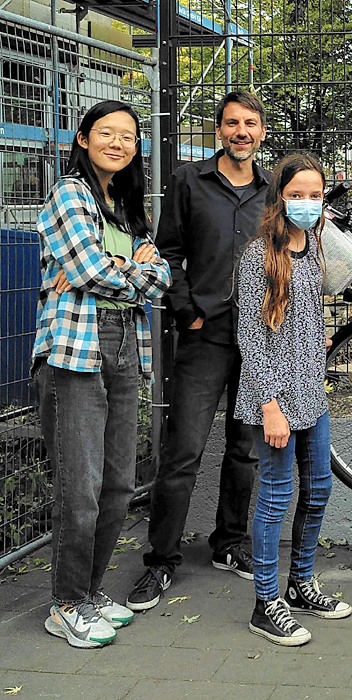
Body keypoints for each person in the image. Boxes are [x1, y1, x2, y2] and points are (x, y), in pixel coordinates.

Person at [32, 100, 171, 647]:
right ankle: (65, 603)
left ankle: (87, 595)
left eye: (128, 136)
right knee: (81, 487)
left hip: (124, 349)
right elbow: (90, 270)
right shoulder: (70, 192)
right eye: (106, 133)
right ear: (85, 139)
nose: (118, 142)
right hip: (76, 353)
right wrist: (127, 269)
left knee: (117, 485)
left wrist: (122, 270)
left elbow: (161, 279)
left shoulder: (128, 207)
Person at [128, 91, 270, 611]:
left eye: (250, 123)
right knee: (184, 451)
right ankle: (160, 561)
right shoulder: (189, 181)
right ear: (219, 131)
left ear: (260, 132)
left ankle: (229, 545)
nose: (241, 131)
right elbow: (169, 252)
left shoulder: (272, 189)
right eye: (232, 123)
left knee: (244, 449)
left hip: (260, 340)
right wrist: (187, 311)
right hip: (204, 335)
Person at [235, 153, 352, 645]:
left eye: (315, 195)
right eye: (296, 194)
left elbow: (301, 311)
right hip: (276, 398)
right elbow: (250, 336)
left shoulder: (315, 247)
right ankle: (266, 603)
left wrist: (314, 337)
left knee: (318, 488)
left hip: (312, 393)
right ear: (279, 197)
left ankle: (301, 584)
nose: (306, 203)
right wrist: (269, 405)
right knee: (277, 495)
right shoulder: (258, 256)